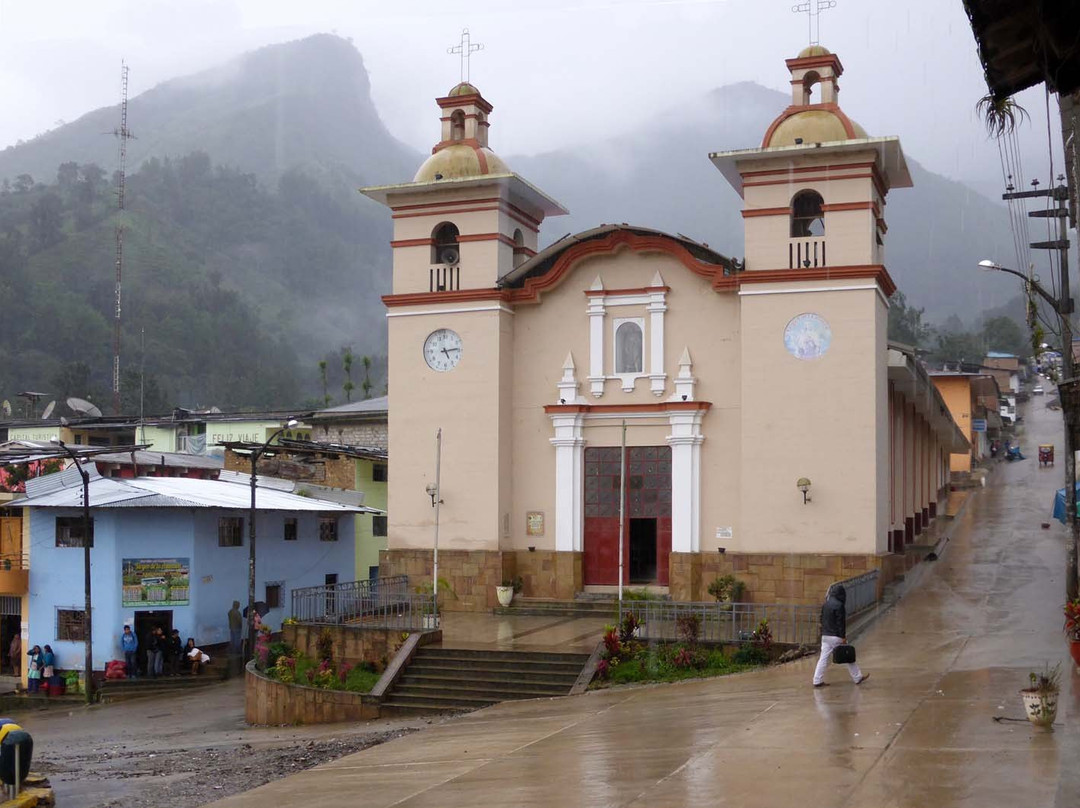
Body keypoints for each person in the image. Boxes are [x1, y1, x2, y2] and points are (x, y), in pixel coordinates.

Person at [812, 584, 869, 688]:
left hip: (825, 636)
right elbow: (840, 623)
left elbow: (822, 620)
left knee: (823, 658)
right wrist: (843, 637)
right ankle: (857, 677)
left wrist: (823, 632)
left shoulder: (826, 604)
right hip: (836, 636)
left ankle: (817, 680)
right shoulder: (839, 605)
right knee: (848, 656)